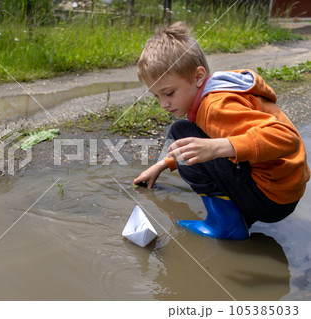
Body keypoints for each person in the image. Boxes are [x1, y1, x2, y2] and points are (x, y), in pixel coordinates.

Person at [132, 22, 310, 240]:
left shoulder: (216, 106)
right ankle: (240, 215)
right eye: (156, 96)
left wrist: (217, 147)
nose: (163, 104)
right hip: (283, 191)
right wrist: (163, 164)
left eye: (169, 93)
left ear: (198, 76)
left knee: (181, 131)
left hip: (270, 199)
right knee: (189, 132)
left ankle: (226, 225)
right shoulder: (216, 90)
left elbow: (287, 138)